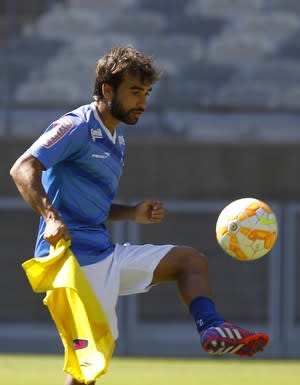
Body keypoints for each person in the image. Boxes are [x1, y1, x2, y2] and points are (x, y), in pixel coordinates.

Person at [10, 46, 269, 385]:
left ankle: (212, 328)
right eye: (134, 91)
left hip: (101, 254)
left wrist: (132, 213)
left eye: (146, 93)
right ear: (107, 89)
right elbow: (22, 167)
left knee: (190, 261)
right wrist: (51, 217)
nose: (143, 102)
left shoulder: (116, 140)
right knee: (88, 365)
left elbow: (90, 208)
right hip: (71, 262)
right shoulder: (75, 126)